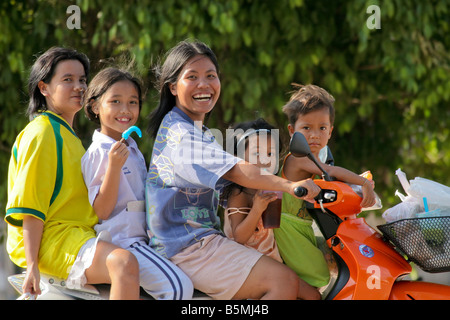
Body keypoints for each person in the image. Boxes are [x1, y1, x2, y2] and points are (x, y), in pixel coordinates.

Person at [146, 40, 321, 300]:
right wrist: (289, 186)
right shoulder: (181, 135)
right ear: (172, 87)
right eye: (191, 77)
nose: (204, 85)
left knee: (307, 292)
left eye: (211, 76)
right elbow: (237, 171)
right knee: (282, 281)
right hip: (187, 247)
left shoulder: (193, 129)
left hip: (197, 241)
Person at [4, 47, 140, 299]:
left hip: (79, 236)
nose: (79, 87)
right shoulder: (43, 133)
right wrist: (32, 265)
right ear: (44, 88)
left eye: (82, 80)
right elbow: (31, 207)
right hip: (55, 241)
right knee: (124, 263)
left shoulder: (69, 136)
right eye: (67, 80)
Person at [82, 67, 193, 300]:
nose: (125, 110)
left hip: (145, 241)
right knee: (178, 288)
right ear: (94, 106)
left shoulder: (131, 147)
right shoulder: (99, 152)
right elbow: (101, 209)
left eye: (133, 102)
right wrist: (113, 166)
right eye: (115, 101)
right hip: (124, 242)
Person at [274, 83, 377, 288]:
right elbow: (330, 171)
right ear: (292, 130)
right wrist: (364, 182)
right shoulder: (297, 158)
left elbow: (332, 178)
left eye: (322, 128)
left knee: (339, 260)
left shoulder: (318, 157)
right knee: (319, 277)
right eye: (306, 128)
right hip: (287, 227)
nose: (314, 135)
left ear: (330, 131)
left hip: (304, 226)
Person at [221, 118, 321, 299]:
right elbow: (239, 237)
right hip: (248, 264)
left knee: (314, 295)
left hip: (272, 258)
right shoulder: (238, 193)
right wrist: (257, 209)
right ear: (239, 156)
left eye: (270, 153)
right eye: (256, 153)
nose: (264, 160)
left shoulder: (271, 186)